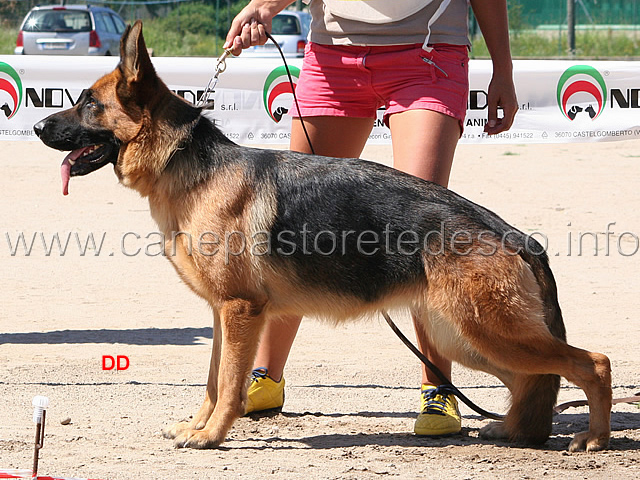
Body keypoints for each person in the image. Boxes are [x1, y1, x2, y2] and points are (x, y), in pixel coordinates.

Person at [224, 0, 518, 436]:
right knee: (293, 229)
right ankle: (266, 377)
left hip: (428, 53)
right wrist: (263, 7)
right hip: (332, 55)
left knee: (422, 230)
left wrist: (503, 70)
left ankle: (438, 388)